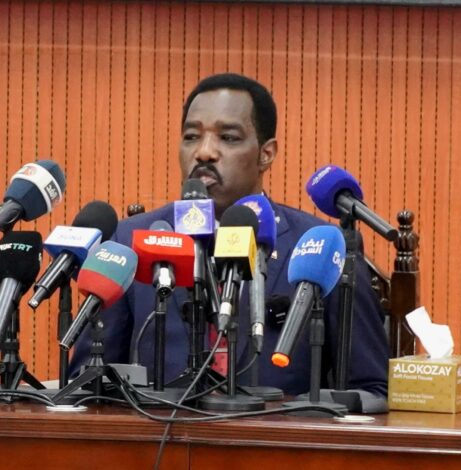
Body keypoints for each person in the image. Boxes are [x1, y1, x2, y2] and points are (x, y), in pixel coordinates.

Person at [69, 73, 389, 396]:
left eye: (228, 138)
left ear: (266, 153)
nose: (204, 152)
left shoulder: (319, 247)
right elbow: (87, 383)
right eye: (191, 137)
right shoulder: (129, 242)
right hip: (159, 427)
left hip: (275, 428)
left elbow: (372, 388)